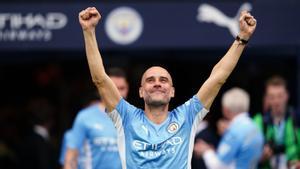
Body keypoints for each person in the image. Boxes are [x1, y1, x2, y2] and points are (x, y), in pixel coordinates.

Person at [78, 7, 257, 168]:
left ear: (172, 91)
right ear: (140, 92)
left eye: (164, 80)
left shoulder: (188, 116)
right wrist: (88, 31)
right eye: (150, 80)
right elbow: (100, 79)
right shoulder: (125, 117)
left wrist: (242, 38)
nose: (157, 83)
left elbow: (217, 78)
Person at [63, 68, 129, 169]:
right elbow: (71, 157)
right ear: (102, 89)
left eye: (122, 88)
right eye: (113, 88)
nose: (117, 93)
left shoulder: (134, 118)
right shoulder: (85, 117)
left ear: (127, 89)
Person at [194, 87, 264, 169]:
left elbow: (218, 165)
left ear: (225, 110)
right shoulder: (255, 128)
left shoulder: (234, 132)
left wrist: (205, 151)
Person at [253, 76, 299, 169]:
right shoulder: (258, 122)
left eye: (280, 96)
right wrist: (260, 157)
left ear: (287, 96)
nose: (276, 101)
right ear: (267, 99)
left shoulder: (297, 119)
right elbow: (247, 157)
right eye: (272, 97)